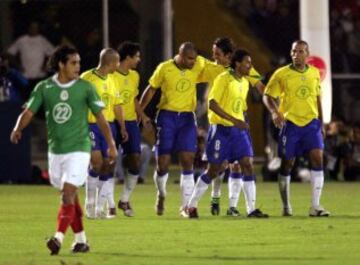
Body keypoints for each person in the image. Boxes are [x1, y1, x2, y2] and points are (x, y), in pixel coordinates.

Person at [10, 46, 117, 255]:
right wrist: (17, 128)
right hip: (56, 150)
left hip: (79, 148)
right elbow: (29, 111)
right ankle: (81, 241)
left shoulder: (85, 88)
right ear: (61, 64)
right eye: (73, 63)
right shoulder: (44, 87)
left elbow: (101, 118)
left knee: (68, 193)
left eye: (78, 62)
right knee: (70, 196)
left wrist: (111, 144)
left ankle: (57, 238)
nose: (78, 67)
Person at [186, 49, 269, 219]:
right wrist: (234, 120)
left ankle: (251, 209)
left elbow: (241, 104)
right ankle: (191, 205)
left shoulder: (245, 82)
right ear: (237, 64)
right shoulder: (223, 79)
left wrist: (240, 123)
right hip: (221, 130)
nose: (250, 66)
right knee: (214, 170)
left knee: (247, 164)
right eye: (247, 63)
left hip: (238, 132)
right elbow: (213, 103)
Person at [263, 40, 330, 217]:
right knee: (287, 164)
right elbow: (267, 96)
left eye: (300, 51)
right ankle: (286, 205)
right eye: (294, 51)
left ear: (307, 54)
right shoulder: (281, 74)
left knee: (317, 158)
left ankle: (315, 206)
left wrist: (321, 123)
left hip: (311, 124)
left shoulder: (314, 73)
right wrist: (275, 112)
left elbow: (317, 99)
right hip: (290, 124)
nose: (296, 55)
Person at [140, 42, 205, 217]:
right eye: (190, 59)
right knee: (163, 164)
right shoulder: (164, 68)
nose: (193, 62)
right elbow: (151, 89)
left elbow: (217, 68)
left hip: (186, 117)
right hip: (166, 116)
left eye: (194, 59)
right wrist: (140, 110)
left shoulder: (199, 65)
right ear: (181, 56)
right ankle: (161, 194)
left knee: (187, 159)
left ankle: (186, 207)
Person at [81, 48, 128, 219]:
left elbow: (117, 105)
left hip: (108, 127)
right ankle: (90, 203)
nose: (119, 64)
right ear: (110, 62)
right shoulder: (87, 78)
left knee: (108, 165)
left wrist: (122, 127)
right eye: (117, 62)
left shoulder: (112, 79)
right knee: (96, 163)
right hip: (90, 125)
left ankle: (100, 207)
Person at [112, 41, 150, 217]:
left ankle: (124, 200)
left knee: (135, 159)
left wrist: (142, 114)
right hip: (112, 121)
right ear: (127, 57)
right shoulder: (111, 76)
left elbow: (133, 98)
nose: (139, 60)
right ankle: (107, 203)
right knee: (108, 161)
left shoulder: (134, 76)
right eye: (137, 56)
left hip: (131, 122)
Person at [7, 21, 55, 99]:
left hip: (39, 76)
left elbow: (53, 53)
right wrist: (18, 66)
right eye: (32, 27)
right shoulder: (22, 40)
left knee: (40, 99)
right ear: (28, 28)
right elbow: (9, 54)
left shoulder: (42, 40)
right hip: (25, 76)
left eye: (36, 28)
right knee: (27, 99)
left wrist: (45, 65)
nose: (34, 29)